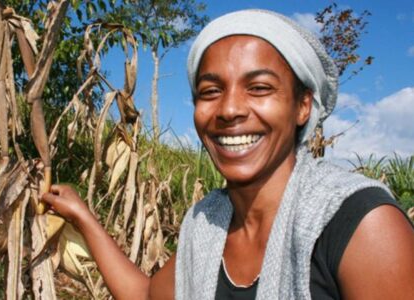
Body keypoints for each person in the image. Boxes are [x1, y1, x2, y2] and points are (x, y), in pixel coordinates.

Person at [41, 9, 414, 300]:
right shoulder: (205, 223)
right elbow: (144, 294)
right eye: (210, 91)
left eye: (259, 87)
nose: (229, 109)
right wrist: (84, 217)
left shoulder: (361, 226)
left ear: (303, 105)